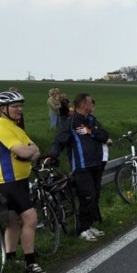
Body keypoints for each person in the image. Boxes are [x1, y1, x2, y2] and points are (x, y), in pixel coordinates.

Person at [0, 91, 46, 273]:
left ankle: (11, 258)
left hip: (20, 180)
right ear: (3, 108)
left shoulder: (15, 128)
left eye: (21, 105)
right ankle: (30, 263)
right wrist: (28, 152)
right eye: (15, 106)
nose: (19, 109)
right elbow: (25, 151)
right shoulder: (2, 128)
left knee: (15, 221)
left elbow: (36, 151)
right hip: (9, 181)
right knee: (31, 219)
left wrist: (29, 152)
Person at [46, 93, 108, 241]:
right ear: (83, 105)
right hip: (82, 166)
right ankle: (82, 229)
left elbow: (104, 135)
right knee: (87, 196)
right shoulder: (72, 122)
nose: (92, 104)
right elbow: (60, 140)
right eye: (90, 102)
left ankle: (89, 225)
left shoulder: (91, 120)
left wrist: (91, 131)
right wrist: (52, 156)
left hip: (96, 164)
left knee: (95, 196)